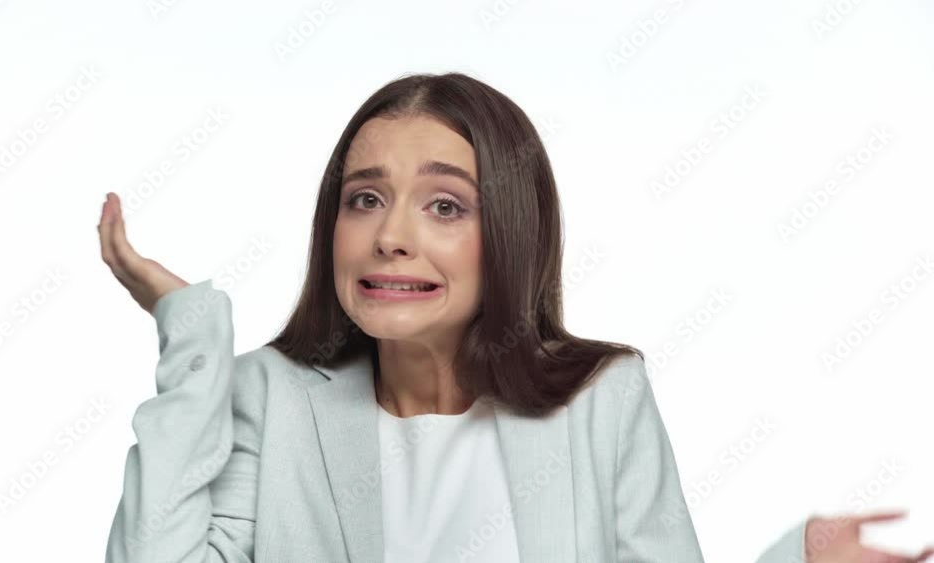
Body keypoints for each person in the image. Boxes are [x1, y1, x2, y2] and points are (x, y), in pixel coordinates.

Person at [99, 72, 933, 562]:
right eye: (365, 199)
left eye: (444, 205)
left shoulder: (602, 396)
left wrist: (794, 559)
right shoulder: (268, 397)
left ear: (511, 230)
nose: (391, 236)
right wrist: (190, 327)